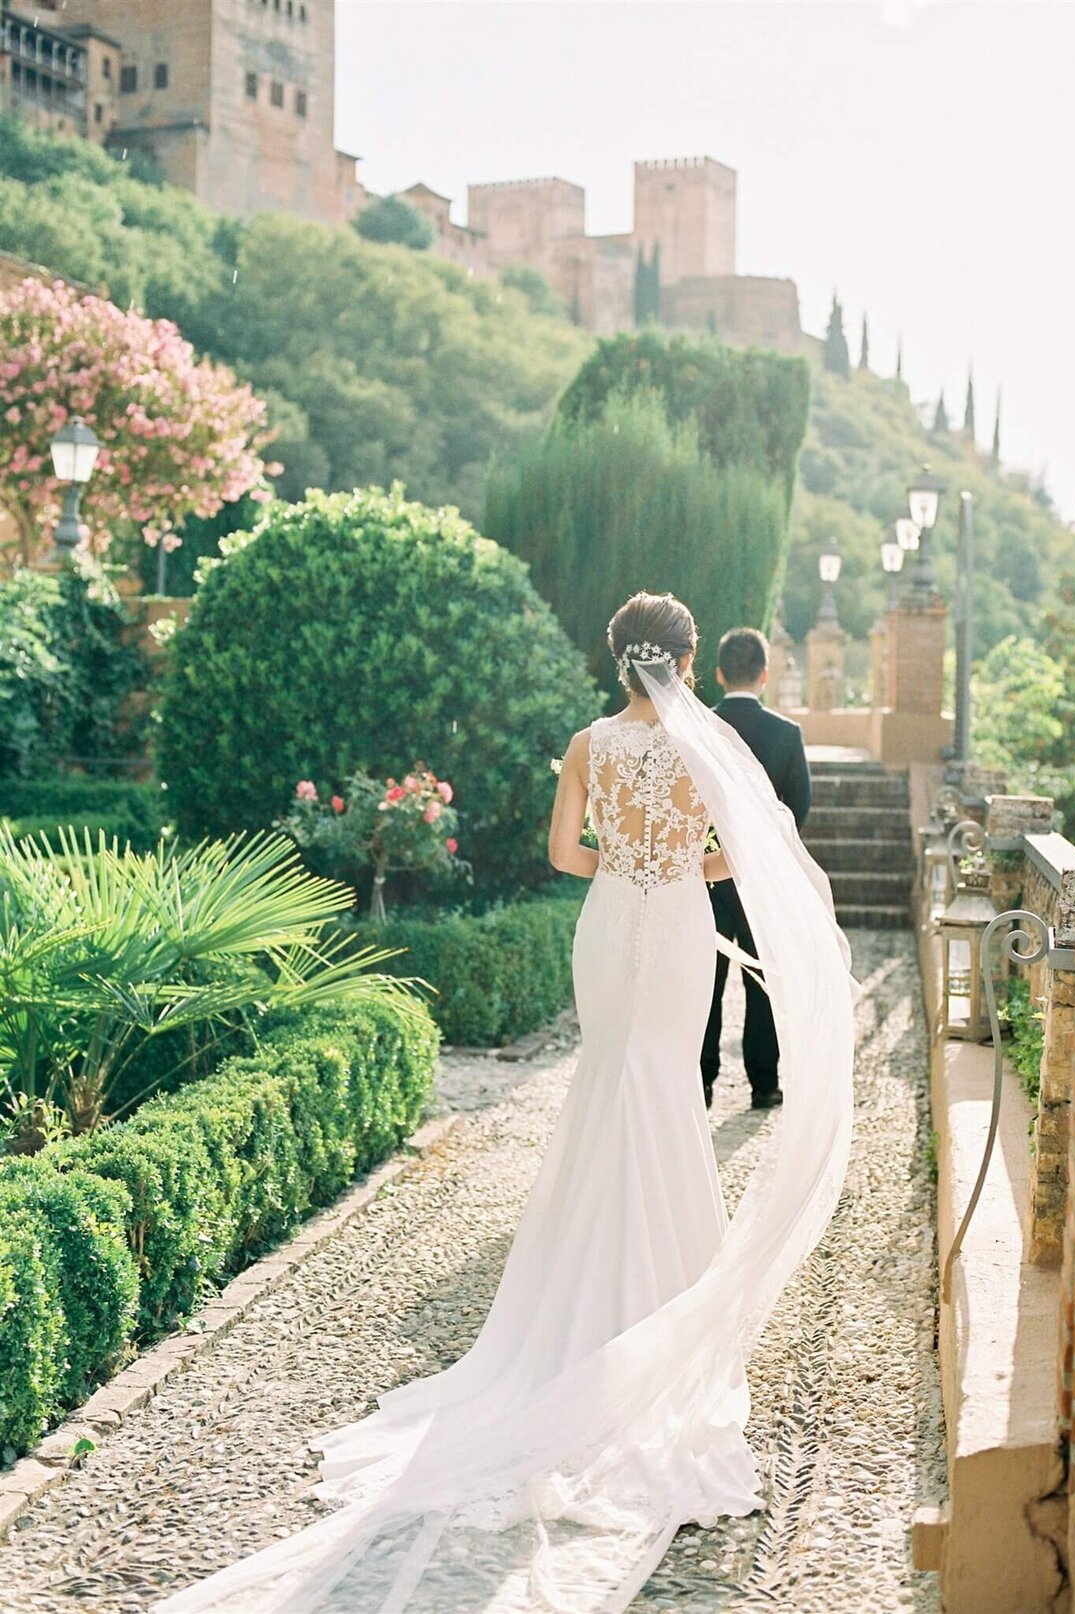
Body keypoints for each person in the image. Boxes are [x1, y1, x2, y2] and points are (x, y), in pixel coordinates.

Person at [157, 592, 856, 1614]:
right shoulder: (708, 748)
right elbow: (751, 850)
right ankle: (661, 1317)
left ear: (615, 660)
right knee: (665, 1085)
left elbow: (565, 858)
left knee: (609, 1084)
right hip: (670, 927)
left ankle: (569, 1318)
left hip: (608, 916)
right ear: (690, 660)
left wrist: (631, 860)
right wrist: (683, 865)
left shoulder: (587, 744)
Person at [701, 626, 812, 1110]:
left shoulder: (698, 727)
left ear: (720, 673)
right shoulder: (787, 735)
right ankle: (764, 1084)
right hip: (762, 884)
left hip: (702, 875)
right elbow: (799, 808)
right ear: (765, 675)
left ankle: (699, 1084)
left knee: (704, 982)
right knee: (762, 982)